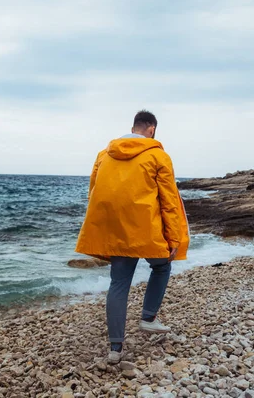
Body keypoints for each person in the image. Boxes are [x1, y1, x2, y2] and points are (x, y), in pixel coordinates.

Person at [75, 110, 189, 364]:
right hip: (146, 230)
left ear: (133, 127)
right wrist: (174, 238)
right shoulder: (158, 155)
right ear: (152, 129)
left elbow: (94, 191)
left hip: (117, 230)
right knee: (161, 266)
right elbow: (169, 200)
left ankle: (116, 348)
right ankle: (148, 318)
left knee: (118, 284)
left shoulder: (104, 155)